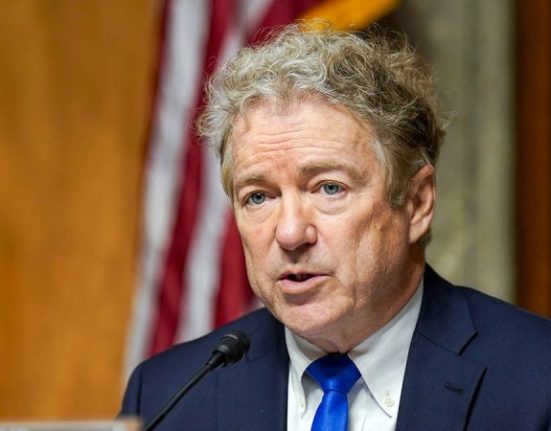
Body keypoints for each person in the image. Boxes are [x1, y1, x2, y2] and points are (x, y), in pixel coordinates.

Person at [120, 24, 551, 430]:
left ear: (417, 203)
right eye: (259, 197)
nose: (290, 234)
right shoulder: (165, 396)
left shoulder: (537, 381)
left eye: (329, 188)